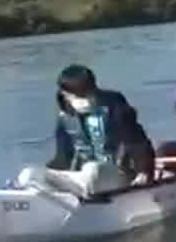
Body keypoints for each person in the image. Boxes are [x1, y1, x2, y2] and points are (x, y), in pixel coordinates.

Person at [17, 64, 155, 198]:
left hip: (117, 173)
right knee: (29, 174)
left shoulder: (115, 107)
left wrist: (144, 172)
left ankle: (75, 199)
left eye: (89, 93)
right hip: (81, 176)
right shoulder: (65, 117)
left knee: (92, 170)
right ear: (65, 94)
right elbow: (63, 157)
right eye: (80, 95)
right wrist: (48, 173)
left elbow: (137, 142)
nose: (87, 99)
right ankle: (51, 199)